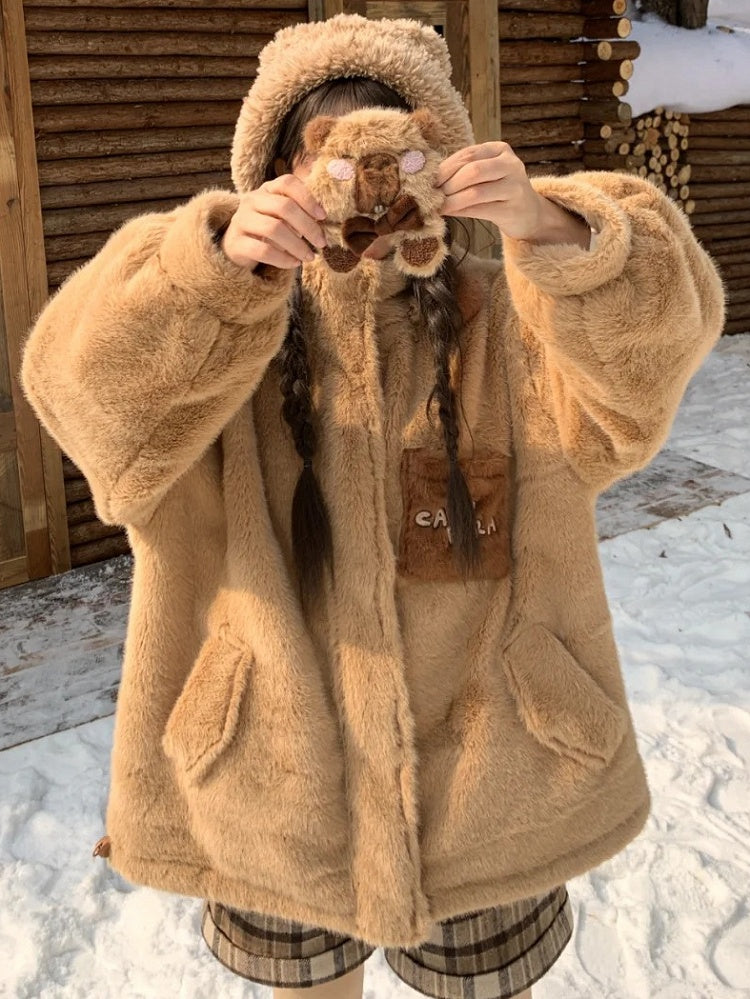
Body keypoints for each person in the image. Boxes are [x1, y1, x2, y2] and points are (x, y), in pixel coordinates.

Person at [19, 13, 725, 999]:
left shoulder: (513, 319)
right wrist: (210, 272)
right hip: (271, 774)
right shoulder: (219, 333)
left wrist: (561, 233)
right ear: (270, 175)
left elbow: (646, 371)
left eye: (406, 150)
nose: (374, 184)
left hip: (498, 773)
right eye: (329, 163)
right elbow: (80, 393)